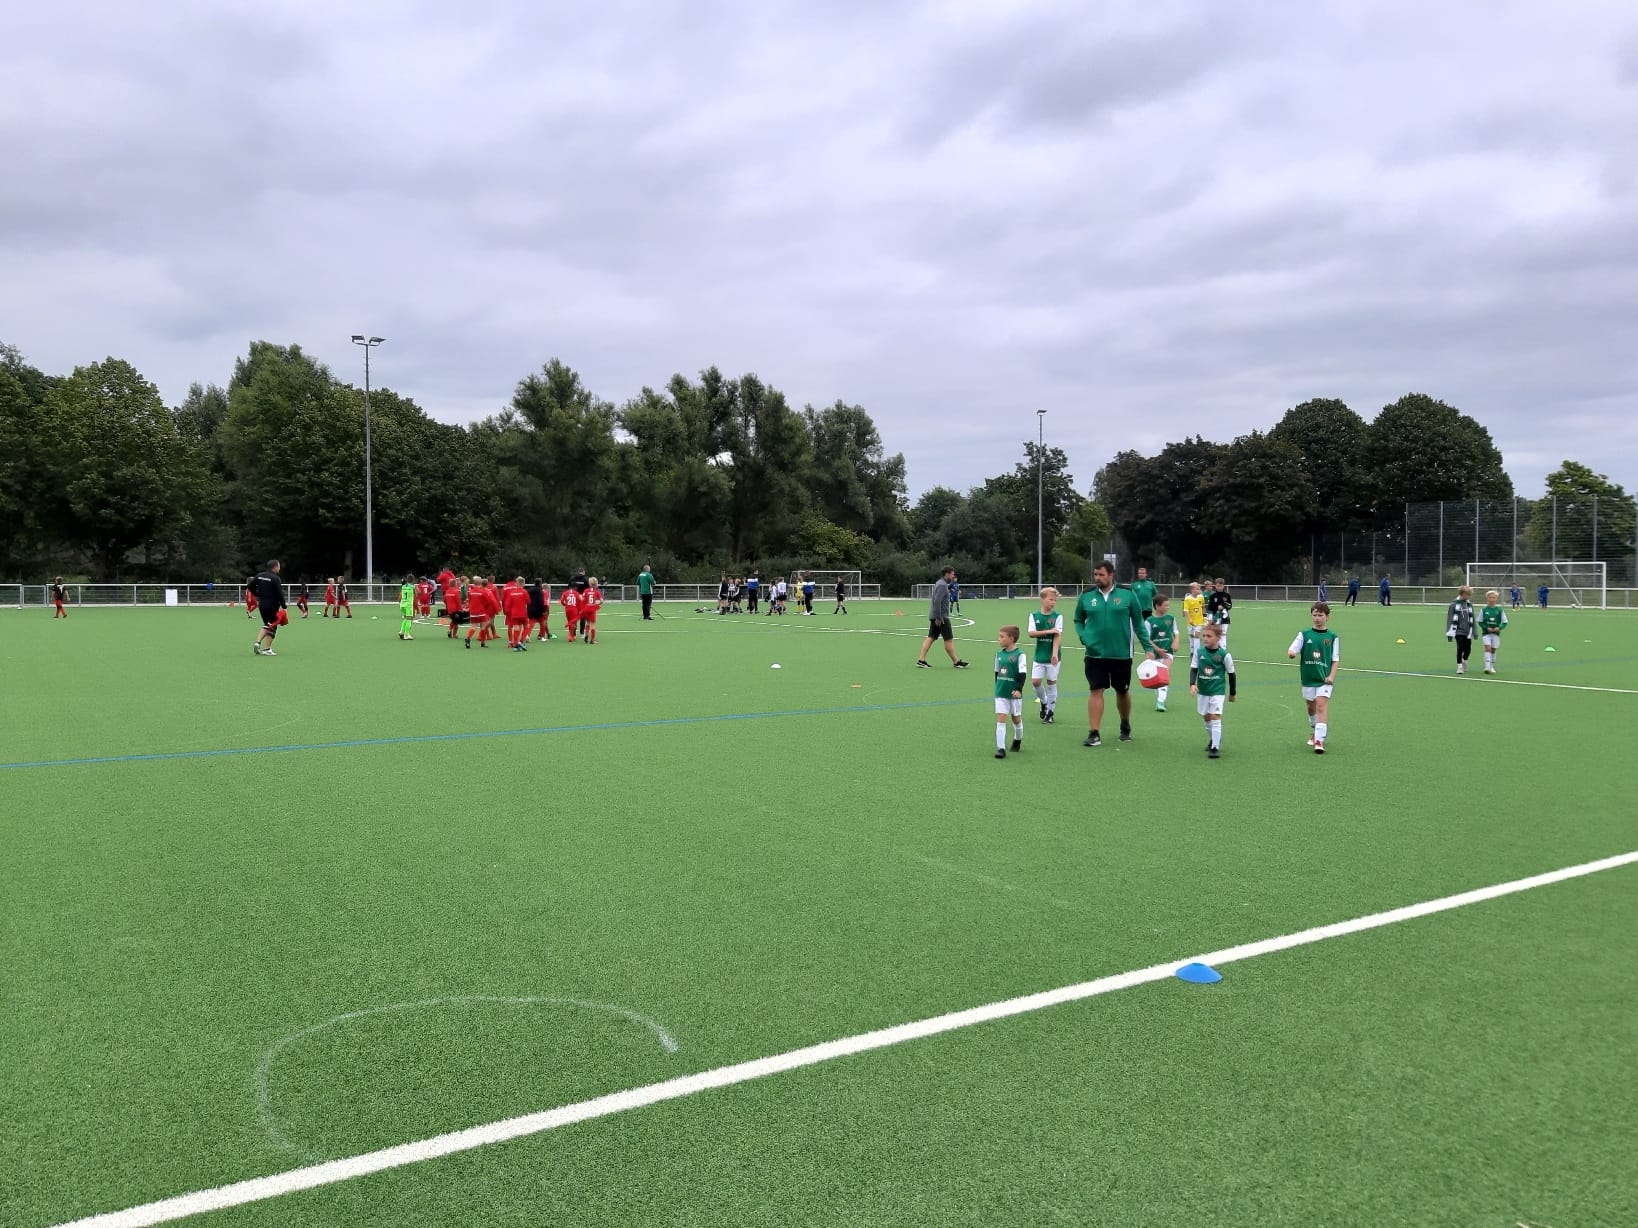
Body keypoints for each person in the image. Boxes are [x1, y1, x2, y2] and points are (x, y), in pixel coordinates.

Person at [1072, 559, 1154, 746]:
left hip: (1121, 654)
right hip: (1094, 654)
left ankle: (1125, 724)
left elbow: (1139, 623)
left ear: (1111, 575)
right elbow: (1078, 620)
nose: (1097, 578)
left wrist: (1148, 648)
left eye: (1101, 575)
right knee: (1095, 690)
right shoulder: (1086, 596)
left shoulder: (1127, 594)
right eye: (1095, 575)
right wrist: (1084, 637)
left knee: (1122, 691)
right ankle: (1094, 733)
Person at [1288, 601, 1338, 754]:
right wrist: (1292, 653)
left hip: (1324, 680)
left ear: (1327, 617)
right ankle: (1314, 730)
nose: (1317, 618)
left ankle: (1319, 740)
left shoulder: (1332, 637)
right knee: (1311, 708)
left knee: (1321, 706)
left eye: (1320, 615)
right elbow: (1293, 648)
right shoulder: (1304, 634)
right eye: (1315, 615)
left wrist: (1331, 676)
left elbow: (1335, 659)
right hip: (1308, 678)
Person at [1190, 620, 1236, 759]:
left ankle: (1215, 748)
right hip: (1203, 690)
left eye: (1209, 636)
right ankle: (1213, 738)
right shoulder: (1199, 652)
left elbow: (1231, 674)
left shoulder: (1224, 655)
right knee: (1206, 717)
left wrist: (1232, 693)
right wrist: (1192, 684)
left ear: (1218, 638)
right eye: (1204, 636)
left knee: (1215, 716)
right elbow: (1194, 669)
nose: (1205, 638)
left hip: (1217, 691)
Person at [916, 567, 970, 669]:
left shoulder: (940, 583)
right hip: (941, 618)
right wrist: (939, 617)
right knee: (948, 639)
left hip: (936, 616)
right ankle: (956, 662)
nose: (953, 576)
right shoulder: (942, 585)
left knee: (931, 637)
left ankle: (921, 660)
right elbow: (937, 600)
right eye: (952, 574)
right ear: (947, 574)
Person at [1027, 587, 1063, 723]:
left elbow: (1057, 636)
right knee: (1035, 682)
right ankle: (1044, 702)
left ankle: (1050, 713)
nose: (1053, 602)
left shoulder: (1058, 617)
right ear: (1042, 599)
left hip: (1053, 656)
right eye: (1050, 599)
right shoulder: (1034, 616)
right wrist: (1049, 631)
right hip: (1039, 655)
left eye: (1055, 600)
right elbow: (1031, 633)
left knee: (1051, 682)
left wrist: (1054, 654)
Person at [992, 625, 1027, 758]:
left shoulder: (1020, 655)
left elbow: (1022, 674)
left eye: (1002, 637)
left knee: (1016, 719)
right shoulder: (999, 655)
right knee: (1001, 718)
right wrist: (998, 686)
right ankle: (1000, 748)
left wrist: (1018, 689)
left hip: (1014, 694)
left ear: (1011, 639)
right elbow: (996, 672)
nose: (999, 639)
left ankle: (1017, 739)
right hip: (1001, 693)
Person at [1146, 594, 1178, 712]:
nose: (1168, 607)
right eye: (1165, 605)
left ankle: (1160, 702)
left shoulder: (1171, 618)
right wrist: (1157, 649)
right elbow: (1147, 639)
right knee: (1156, 678)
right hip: (1154, 654)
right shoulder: (1149, 621)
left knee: (1164, 675)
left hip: (1168, 652)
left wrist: (1176, 642)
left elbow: (1176, 632)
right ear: (1157, 606)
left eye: (1168, 605)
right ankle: (1160, 698)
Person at [250, 560, 286, 656]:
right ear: (275, 567)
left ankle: (258, 643)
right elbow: (279, 593)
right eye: (279, 566)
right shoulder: (275, 578)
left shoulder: (259, 575)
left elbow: (250, 586)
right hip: (272, 605)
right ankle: (266, 648)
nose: (279, 568)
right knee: (272, 625)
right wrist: (284, 606)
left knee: (267, 624)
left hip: (262, 604)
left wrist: (258, 594)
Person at [1445, 584, 1476, 675]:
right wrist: (1449, 631)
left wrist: (1474, 630)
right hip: (1458, 631)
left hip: (1468, 631)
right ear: (1462, 594)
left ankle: (1464, 660)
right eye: (1467, 594)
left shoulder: (1469, 605)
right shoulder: (1453, 605)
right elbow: (1450, 618)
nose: (1469, 597)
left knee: (1468, 649)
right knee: (1460, 647)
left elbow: (1473, 618)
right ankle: (1459, 666)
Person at [1479, 590, 1508, 674]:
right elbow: (1480, 622)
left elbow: (1505, 622)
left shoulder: (1499, 610)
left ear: (1496, 599)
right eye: (1490, 597)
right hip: (1486, 633)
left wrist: (1499, 628)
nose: (1492, 599)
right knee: (1487, 648)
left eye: (1494, 597)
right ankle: (1487, 667)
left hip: (1495, 634)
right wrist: (1486, 628)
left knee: (1493, 650)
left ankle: (1492, 666)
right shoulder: (1484, 610)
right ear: (1487, 598)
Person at [503, 575, 531, 651]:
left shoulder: (512, 593)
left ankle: (515, 645)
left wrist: (507, 611)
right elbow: (528, 602)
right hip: (523, 613)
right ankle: (521, 641)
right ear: (524, 584)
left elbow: (508, 604)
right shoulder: (525, 592)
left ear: (516, 583)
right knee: (526, 626)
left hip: (514, 613)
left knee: (516, 628)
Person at [1205, 578, 1233, 650]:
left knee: (1223, 634)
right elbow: (1210, 607)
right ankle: (1216, 649)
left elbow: (1230, 606)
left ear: (1223, 586)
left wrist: (1223, 606)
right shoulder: (1213, 596)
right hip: (1216, 618)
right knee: (1217, 634)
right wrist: (1217, 607)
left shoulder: (1227, 595)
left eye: (1221, 586)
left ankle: (1223, 650)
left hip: (1225, 618)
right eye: (1217, 586)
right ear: (1215, 586)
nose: (1219, 587)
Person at [1182, 581, 1205, 647]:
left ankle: (1196, 651)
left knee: (1197, 635)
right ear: (1192, 589)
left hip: (1199, 620)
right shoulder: (1187, 599)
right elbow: (1186, 610)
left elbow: (1203, 607)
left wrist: (1205, 617)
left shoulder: (1201, 597)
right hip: (1191, 621)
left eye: (1199, 589)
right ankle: (1192, 650)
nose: (1199, 590)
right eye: (1197, 589)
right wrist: (1189, 619)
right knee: (1191, 636)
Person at [582, 577, 604, 643]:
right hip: (592, 608)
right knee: (593, 624)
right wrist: (598, 604)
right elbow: (601, 601)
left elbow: (582, 599)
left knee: (587, 622)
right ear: (596, 584)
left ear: (589, 583)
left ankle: (586, 635)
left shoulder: (586, 590)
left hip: (586, 608)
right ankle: (592, 640)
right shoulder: (597, 591)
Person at [443, 574, 465, 639]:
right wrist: (461, 609)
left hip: (449, 609)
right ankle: (454, 635)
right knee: (456, 623)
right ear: (455, 584)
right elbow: (458, 602)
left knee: (453, 620)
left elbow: (444, 600)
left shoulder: (447, 591)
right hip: (455, 610)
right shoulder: (456, 592)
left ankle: (450, 630)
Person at [397, 575, 417, 640]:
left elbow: (401, 595)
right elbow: (416, 594)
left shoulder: (403, 586)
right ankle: (406, 635)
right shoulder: (413, 587)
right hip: (408, 605)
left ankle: (401, 631)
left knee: (406, 618)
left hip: (402, 604)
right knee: (409, 619)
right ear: (413, 580)